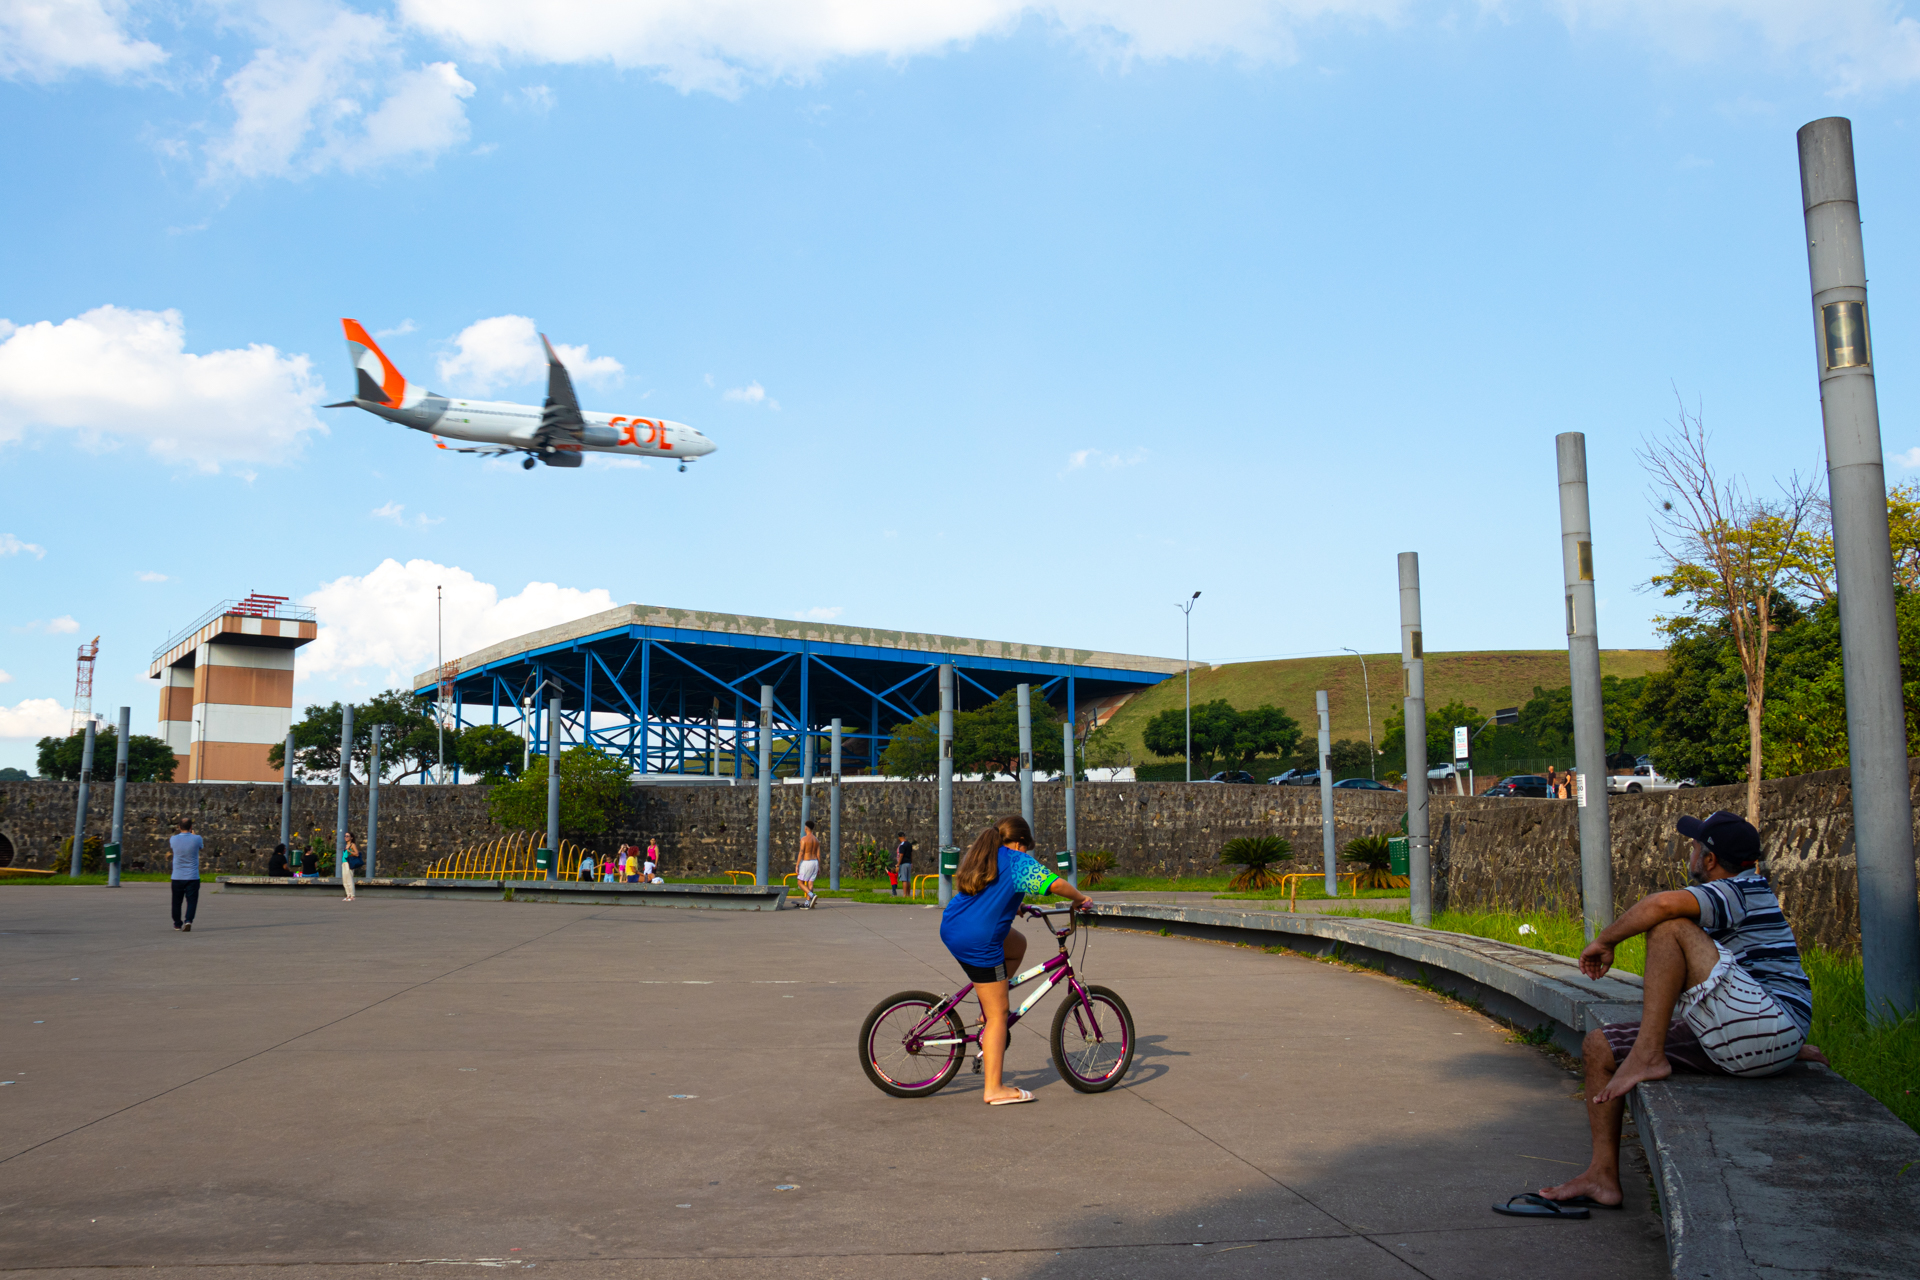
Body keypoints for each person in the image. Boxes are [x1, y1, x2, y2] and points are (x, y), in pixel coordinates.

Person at [1527, 810, 1822, 1215]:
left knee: (1668, 927)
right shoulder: (1746, 894)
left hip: (1766, 1027)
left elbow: (1662, 905)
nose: (1692, 851)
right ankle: (1601, 1176)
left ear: (1710, 860)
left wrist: (1605, 941)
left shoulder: (1736, 891)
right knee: (1600, 1046)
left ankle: (1648, 1056)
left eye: (1696, 845)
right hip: (1766, 1032)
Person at [939, 815, 1093, 1105]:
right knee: (999, 1015)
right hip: (979, 939)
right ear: (1021, 844)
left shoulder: (989, 853)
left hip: (954, 926)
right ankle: (994, 1088)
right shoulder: (1018, 860)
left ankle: (989, 1000)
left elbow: (990, 890)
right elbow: (1056, 884)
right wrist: (1080, 899)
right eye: (1027, 848)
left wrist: (1018, 905)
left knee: (1017, 943)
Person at [169, 818, 203, 932]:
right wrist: (193, 834)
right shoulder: (197, 838)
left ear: (179, 827)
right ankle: (188, 921)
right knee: (192, 901)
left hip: (177, 875)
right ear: (191, 827)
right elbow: (200, 847)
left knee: (176, 901)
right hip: (192, 876)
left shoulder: (173, 839)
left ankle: (177, 923)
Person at [795, 821, 822, 908]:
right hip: (815, 862)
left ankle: (811, 895)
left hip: (807, 862)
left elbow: (801, 852)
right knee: (810, 883)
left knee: (800, 883)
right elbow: (818, 855)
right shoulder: (816, 840)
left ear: (806, 828)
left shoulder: (804, 839)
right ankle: (807, 902)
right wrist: (819, 867)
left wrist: (797, 865)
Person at [340, 833, 363, 901]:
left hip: (348, 863)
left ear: (351, 837)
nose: (346, 837)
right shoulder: (346, 845)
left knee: (349, 879)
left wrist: (349, 850)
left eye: (347, 836)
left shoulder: (352, 845)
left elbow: (357, 854)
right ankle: (348, 895)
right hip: (344, 862)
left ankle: (352, 895)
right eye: (345, 836)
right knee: (345, 880)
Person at [895, 832, 915, 897]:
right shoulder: (909, 844)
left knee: (904, 879)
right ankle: (908, 894)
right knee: (908, 879)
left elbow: (901, 855)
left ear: (899, 837)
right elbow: (911, 854)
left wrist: (898, 864)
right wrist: (911, 862)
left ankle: (904, 894)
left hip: (903, 863)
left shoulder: (902, 845)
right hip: (909, 863)